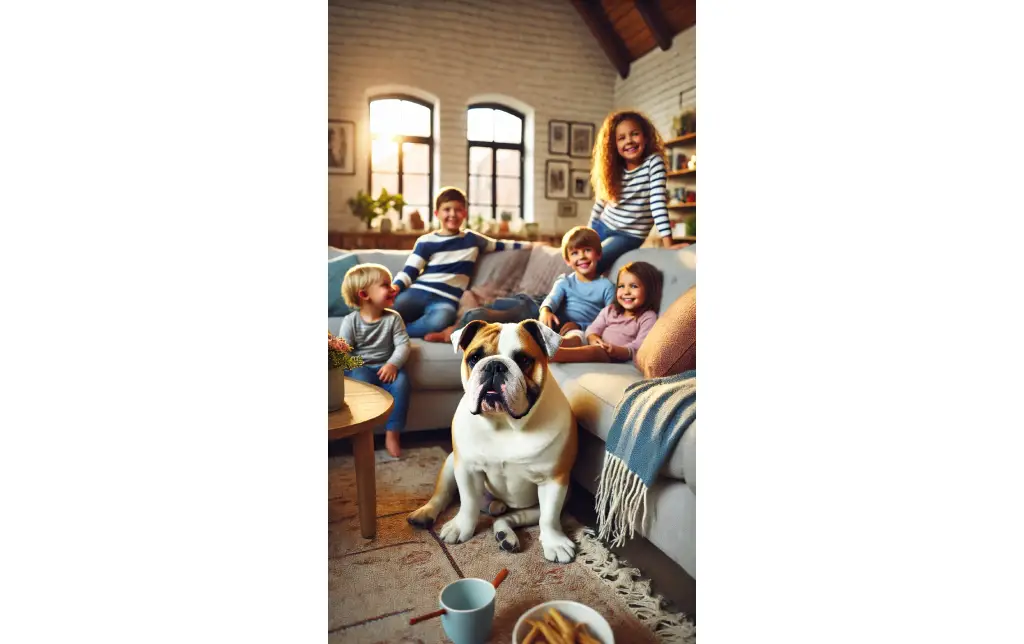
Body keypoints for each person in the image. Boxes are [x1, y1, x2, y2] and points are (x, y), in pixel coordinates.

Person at [392, 187, 532, 338]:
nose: (452, 214)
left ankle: (398, 333)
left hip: (446, 299)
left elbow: (499, 244)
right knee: (395, 305)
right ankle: (382, 328)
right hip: (418, 291)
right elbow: (410, 271)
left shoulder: (472, 239)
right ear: (437, 214)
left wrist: (529, 246)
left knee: (441, 320)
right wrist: (395, 287)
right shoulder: (426, 241)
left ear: (464, 213)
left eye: (458, 210)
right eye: (447, 209)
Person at [588, 109, 675, 275]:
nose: (629, 141)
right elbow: (601, 202)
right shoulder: (614, 167)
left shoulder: (653, 162)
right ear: (614, 145)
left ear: (646, 137)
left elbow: (657, 203)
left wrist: (668, 245)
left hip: (628, 235)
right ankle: (558, 298)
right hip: (602, 225)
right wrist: (588, 232)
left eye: (634, 134)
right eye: (621, 138)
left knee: (592, 264)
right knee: (579, 260)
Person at [339, 263, 411, 458]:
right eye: (386, 285)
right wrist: (354, 365)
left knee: (402, 382)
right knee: (360, 381)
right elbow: (343, 351)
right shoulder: (351, 321)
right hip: (361, 367)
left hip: (386, 366)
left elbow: (403, 345)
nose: (393, 288)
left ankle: (392, 435)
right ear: (364, 295)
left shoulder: (393, 319)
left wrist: (392, 364)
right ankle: (363, 436)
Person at [551, 261, 662, 363]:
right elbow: (593, 328)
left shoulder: (648, 317)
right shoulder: (611, 310)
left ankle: (557, 354)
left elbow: (640, 345)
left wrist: (618, 350)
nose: (626, 292)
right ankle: (549, 345)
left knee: (595, 351)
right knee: (577, 335)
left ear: (649, 290)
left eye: (633, 286)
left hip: (611, 354)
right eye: (621, 286)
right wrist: (593, 337)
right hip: (597, 343)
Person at [538, 226, 616, 344]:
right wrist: (545, 311)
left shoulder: (607, 286)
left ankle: (557, 348)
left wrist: (579, 326)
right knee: (525, 307)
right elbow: (552, 299)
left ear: (598, 254)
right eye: (575, 253)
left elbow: (610, 320)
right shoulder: (564, 281)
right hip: (555, 320)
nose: (582, 256)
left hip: (580, 330)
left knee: (576, 337)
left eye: (587, 250)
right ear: (568, 260)